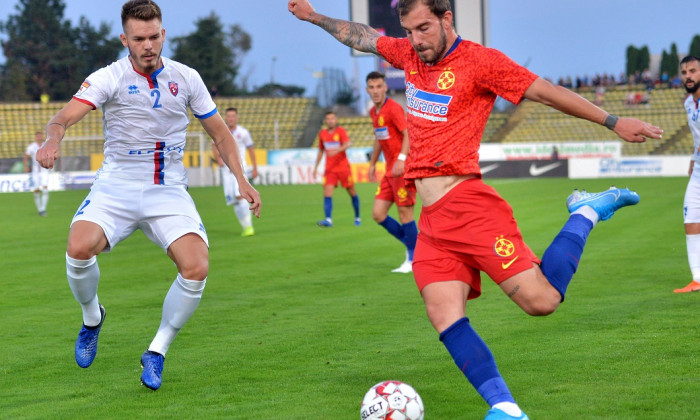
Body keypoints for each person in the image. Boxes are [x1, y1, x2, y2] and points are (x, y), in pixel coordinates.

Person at [288, 1, 663, 418]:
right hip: (432, 223)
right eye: (409, 30)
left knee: (542, 301)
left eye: (424, 28)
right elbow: (363, 37)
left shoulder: (481, 62)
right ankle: (505, 408)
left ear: (447, 18)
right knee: (444, 314)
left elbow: (547, 93)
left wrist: (612, 121)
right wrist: (314, 17)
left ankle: (586, 211)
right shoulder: (409, 54)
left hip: (468, 207)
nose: (416, 39)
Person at [36, 0, 260, 391]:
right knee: (78, 247)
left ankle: (156, 350)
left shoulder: (187, 77)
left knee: (197, 267)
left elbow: (220, 134)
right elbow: (62, 118)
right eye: (139, 38)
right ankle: (92, 318)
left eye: (154, 36)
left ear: (163, 34)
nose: (148, 45)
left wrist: (241, 178)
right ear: (125, 39)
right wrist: (52, 141)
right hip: (117, 185)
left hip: (167, 188)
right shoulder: (109, 77)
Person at [366, 71, 417, 273]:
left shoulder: (393, 109)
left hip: (402, 169)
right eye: (372, 87)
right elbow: (379, 138)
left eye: (379, 86)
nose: (376, 91)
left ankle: (413, 259)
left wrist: (402, 159)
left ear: (385, 87)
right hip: (389, 171)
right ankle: (414, 244)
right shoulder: (373, 112)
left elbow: (409, 134)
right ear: (367, 89)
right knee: (378, 214)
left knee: (405, 215)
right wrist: (372, 164)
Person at [674, 55, 700, 293]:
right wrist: (693, 158)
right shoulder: (688, 103)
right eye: (685, 72)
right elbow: (696, 135)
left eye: (693, 71)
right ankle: (697, 279)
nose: (688, 76)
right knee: (690, 221)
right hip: (699, 170)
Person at [213, 107, 258, 237]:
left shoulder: (243, 133)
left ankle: (249, 227)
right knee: (234, 200)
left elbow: (251, 149)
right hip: (226, 170)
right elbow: (214, 145)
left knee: (240, 195)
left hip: (239, 168)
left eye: (233, 116)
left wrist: (255, 168)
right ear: (225, 118)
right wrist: (218, 159)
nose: (231, 118)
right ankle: (245, 227)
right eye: (228, 116)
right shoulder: (221, 131)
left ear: (236, 118)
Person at [313, 110, 361, 227]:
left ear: (336, 120)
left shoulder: (341, 131)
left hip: (343, 168)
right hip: (330, 169)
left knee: (352, 192)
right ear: (325, 121)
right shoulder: (322, 134)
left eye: (332, 118)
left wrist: (336, 150)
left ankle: (357, 217)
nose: (330, 121)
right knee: (327, 193)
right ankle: (328, 219)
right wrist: (316, 167)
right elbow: (321, 150)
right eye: (328, 119)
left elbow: (347, 144)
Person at [24, 130, 50, 216]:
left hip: (44, 169)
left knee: (45, 189)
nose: (39, 137)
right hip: (35, 171)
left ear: (42, 137)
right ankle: (39, 209)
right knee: (36, 190)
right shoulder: (31, 146)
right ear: (35, 137)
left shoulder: (45, 145)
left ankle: (43, 209)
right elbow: (26, 157)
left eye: (40, 136)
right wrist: (26, 166)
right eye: (37, 136)